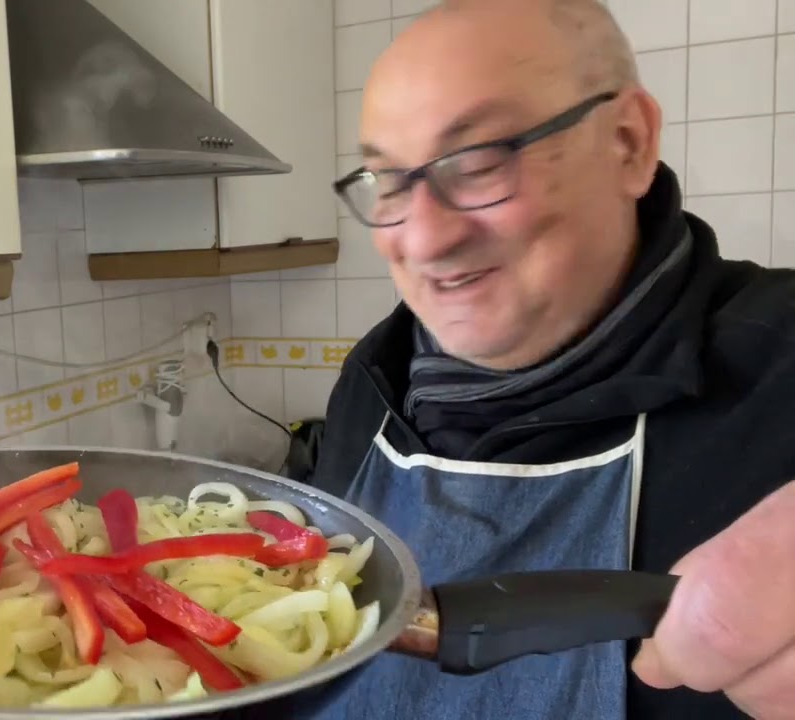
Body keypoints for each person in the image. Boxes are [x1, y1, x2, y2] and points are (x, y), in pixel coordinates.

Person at [271, 0, 795, 718]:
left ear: (629, 143)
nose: (422, 240)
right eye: (389, 181)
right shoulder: (373, 380)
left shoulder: (779, 367)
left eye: (480, 160)